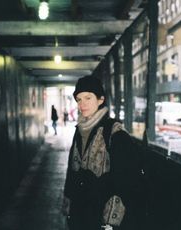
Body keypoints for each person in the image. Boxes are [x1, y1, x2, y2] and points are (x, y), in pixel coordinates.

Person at [62, 75, 144, 230]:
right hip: (80, 214)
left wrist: (111, 222)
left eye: (88, 98)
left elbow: (127, 181)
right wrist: (69, 206)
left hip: (103, 218)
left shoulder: (114, 133)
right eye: (79, 99)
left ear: (100, 100)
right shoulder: (79, 130)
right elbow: (72, 172)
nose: (82, 104)